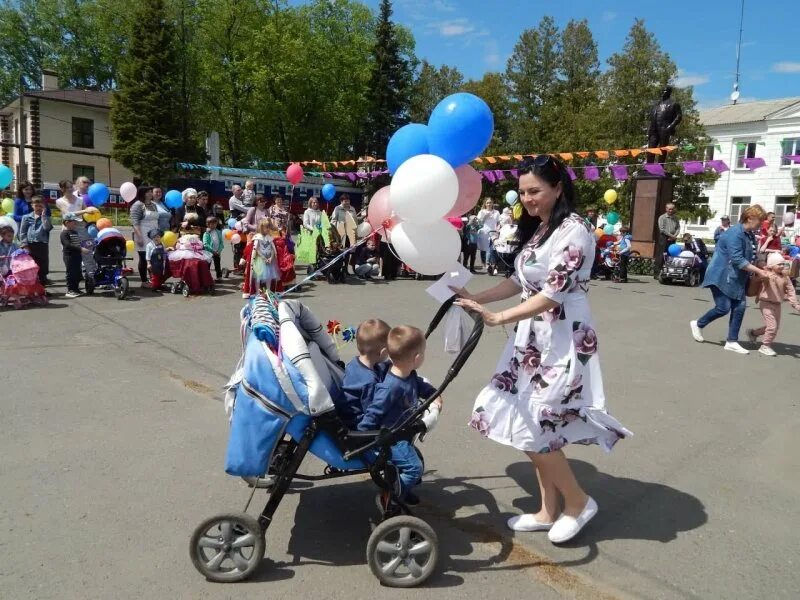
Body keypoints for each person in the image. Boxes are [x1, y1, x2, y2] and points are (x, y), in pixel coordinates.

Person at [452, 155, 631, 544]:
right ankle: (549, 509)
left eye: (535, 191)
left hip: (564, 337)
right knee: (526, 420)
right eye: (523, 192)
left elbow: (552, 294)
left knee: (540, 422)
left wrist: (499, 318)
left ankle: (579, 503)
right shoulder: (542, 228)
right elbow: (519, 280)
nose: (527, 199)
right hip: (532, 340)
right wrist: (473, 298)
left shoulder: (576, 230)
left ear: (558, 188)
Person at [358, 325, 443, 504]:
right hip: (391, 438)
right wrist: (363, 439)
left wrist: (433, 395)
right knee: (414, 468)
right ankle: (392, 497)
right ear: (417, 357)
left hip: (403, 432)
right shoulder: (390, 387)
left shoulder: (408, 374)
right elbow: (372, 413)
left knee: (416, 460)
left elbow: (420, 385)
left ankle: (403, 488)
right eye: (424, 353)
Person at [690, 205, 773, 354]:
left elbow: (752, 256)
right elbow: (737, 259)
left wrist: (762, 265)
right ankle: (698, 323)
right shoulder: (734, 233)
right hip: (720, 275)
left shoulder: (750, 235)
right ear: (749, 218)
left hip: (737, 278)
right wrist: (759, 272)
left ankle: (731, 341)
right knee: (723, 307)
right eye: (760, 221)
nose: (762, 224)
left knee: (740, 307)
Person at [338, 319, 391, 428]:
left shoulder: (354, 362)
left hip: (346, 411)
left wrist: (389, 365)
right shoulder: (369, 382)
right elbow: (373, 410)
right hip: (356, 421)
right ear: (384, 352)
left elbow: (380, 366)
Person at [746, 254, 800, 357]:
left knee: (773, 327)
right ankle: (765, 346)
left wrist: (796, 305)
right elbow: (757, 264)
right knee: (772, 326)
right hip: (765, 303)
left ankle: (753, 333)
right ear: (771, 265)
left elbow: (791, 291)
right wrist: (763, 268)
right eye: (779, 264)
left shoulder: (785, 276)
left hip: (777, 304)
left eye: (783, 264)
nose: (782, 266)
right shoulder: (766, 274)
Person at [55, 179, 97, 276]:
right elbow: (68, 215)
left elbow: (88, 214)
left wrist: (92, 220)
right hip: (68, 230)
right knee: (71, 254)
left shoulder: (80, 199)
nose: (70, 189)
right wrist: (84, 211)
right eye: (67, 187)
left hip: (81, 229)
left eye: (71, 187)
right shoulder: (59, 201)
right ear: (62, 189)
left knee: (87, 253)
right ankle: (74, 279)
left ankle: (92, 276)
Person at [130, 189, 170, 287]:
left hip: (154, 234)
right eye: (147, 192)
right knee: (144, 258)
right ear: (142, 193)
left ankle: (153, 279)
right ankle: (144, 281)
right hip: (142, 234)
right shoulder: (137, 205)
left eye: (151, 192)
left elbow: (157, 220)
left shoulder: (153, 205)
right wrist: (139, 237)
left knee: (154, 258)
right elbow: (135, 222)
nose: (150, 194)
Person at [19, 196, 52, 285]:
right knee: (31, 266)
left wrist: (43, 216)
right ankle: (32, 287)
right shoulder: (26, 217)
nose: (38, 208)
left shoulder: (46, 217)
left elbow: (47, 228)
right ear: (32, 205)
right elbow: (22, 232)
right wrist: (24, 244)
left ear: (44, 207)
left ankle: (42, 288)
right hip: (30, 244)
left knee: (43, 267)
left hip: (42, 245)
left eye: (40, 206)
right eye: (36, 205)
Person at [242, 218, 279, 298]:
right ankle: (257, 293)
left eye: (269, 227)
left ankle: (268, 292)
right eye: (266, 227)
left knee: (269, 277)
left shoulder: (270, 238)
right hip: (260, 261)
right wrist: (263, 258)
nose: (268, 229)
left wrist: (271, 258)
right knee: (258, 277)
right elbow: (257, 249)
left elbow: (273, 249)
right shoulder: (258, 237)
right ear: (262, 228)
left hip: (269, 260)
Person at [60, 213, 89, 298]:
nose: (75, 223)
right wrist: (81, 249)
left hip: (77, 255)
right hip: (69, 256)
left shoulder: (75, 232)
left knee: (77, 272)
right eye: (73, 222)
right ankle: (70, 290)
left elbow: (78, 243)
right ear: (66, 223)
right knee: (71, 273)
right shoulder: (64, 233)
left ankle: (76, 289)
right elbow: (67, 244)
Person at [654, 203, 680, 278]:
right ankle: (657, 273)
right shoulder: (662, 217)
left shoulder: (675, 218)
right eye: (669, 209)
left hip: (672, 239)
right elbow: (662, 229)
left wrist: (674, 236)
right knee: (661, 255)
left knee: (670, 255)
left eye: (672, 209)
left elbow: (678, 227)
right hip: (663, 238)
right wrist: (671, 236)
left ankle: (669, 272)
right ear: (666, 209)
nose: (671, 210)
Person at [477, 198, 501, 268]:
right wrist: (485, 216)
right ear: (485, 204)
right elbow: (479, 222)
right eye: (487, 203)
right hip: (484, 232)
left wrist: (498, 228)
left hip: (493, 232)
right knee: (483, 248)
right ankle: (483, 263)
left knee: (491, 248)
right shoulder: (482, 211)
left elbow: (499, 222)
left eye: (490, 202)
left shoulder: (496, 212)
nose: (489, 204)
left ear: (492, 203)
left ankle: (489, 264)